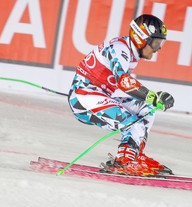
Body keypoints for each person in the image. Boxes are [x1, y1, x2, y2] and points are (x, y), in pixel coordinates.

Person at [68, 14, 175, 177]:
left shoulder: (130, 51)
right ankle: (125, 162)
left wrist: (151, 99)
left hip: (95, 95)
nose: (158, 48)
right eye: (155, 42)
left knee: (147, 107)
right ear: (141, 39)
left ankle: (133, 155)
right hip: (83, 98)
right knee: (134, 124)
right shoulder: (120, 48)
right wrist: (153, 95)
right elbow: (124, 83)